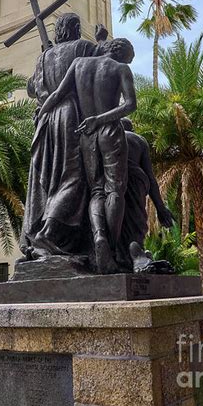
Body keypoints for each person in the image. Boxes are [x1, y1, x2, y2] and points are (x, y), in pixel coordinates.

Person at [39, 38, 136, 273]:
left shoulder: (79, 63)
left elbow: (58, 94)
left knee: (96, 190)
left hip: (86, 134)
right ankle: (110, 251)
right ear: (123, 55)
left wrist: (42, 115)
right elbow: (130, 105)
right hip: (109, 130)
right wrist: (101, 119)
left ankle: (98, 236)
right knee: (114, 190)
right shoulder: (120, 69)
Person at [20, 14, 106, 257]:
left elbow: (31, 88)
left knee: (50, 179)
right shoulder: (83, 47)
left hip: (46, 121)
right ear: (76, 29)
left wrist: (46, 60)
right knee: (74, 177)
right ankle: (48, 232)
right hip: (71, 115)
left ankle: (53, 235)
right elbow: (105, 64)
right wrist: (101, 39)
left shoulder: (43, 57)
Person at [118, 118, 174, 271]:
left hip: (114, 180)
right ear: (132, 128)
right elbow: (150, 176)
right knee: (136, 220)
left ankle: (128, 256)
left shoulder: (108, 135)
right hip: (137, 181)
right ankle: (135, 254)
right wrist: (160, 208)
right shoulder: (139, 140)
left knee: (119, 219)